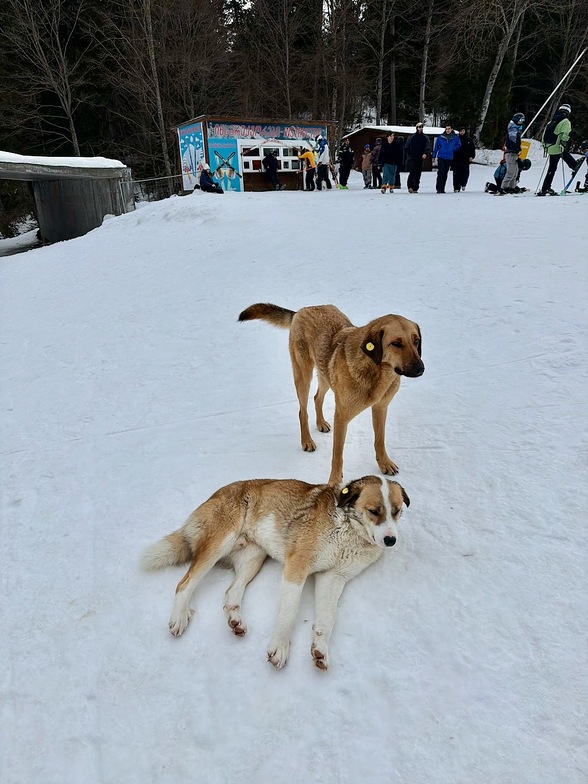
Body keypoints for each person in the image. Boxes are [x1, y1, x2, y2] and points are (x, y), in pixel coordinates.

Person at [538, 104, 581, 196]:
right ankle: (574, 165)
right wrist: (563, 142)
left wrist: (545, 145)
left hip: (549, 147)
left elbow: (544, 134)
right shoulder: (565, 121)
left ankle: (545, 187)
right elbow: (566, 133)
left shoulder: (551, 121)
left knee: (552, 167)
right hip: (557, 146)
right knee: (555, 162)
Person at [432, 124, 461, 193]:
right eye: (446, 129)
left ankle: (442, 188)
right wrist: (434, 156)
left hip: (449, 157)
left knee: (445, 173)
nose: (447, 130)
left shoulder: (455, 137)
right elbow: (436, 147)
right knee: (441, 172)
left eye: (449, 128)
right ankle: (439, 188)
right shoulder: (440, 137)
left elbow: (458, 145)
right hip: (441, 156)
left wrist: (453, 149)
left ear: (451, 129)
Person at [500, 112, 525, 193]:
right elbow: (512, 140)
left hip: (514, 153)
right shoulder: (513, 129)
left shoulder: (516, 129)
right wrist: (517, 149)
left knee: (515, 172)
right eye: (520, 120)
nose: (521, 122)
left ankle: (512, 187)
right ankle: (504, 187)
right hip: (511, 152)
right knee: (510, 172)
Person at [404, 122, 430, 193]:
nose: (420, 129)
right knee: (412, 172)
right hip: (412, 158)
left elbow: (428, 146)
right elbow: (406, 147)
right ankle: (410, 186)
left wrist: (425, 153)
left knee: (418, 173)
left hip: (420, 158)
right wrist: (409, 155)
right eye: (419, 127)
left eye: (421, 127)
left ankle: (415, 187)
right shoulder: (411, 137)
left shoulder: (425, 137)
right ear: (416, 128)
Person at [452, 127, 475, 191]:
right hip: (456, 160)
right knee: (457, 174)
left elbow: (472, 149)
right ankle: (456, 188)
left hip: (465, 160)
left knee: (465, 173)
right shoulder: (455, 139)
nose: (462, 132)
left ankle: (463, 184)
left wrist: (472, 156)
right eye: (460, 131)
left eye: (463, 131)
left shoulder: (468, 140)